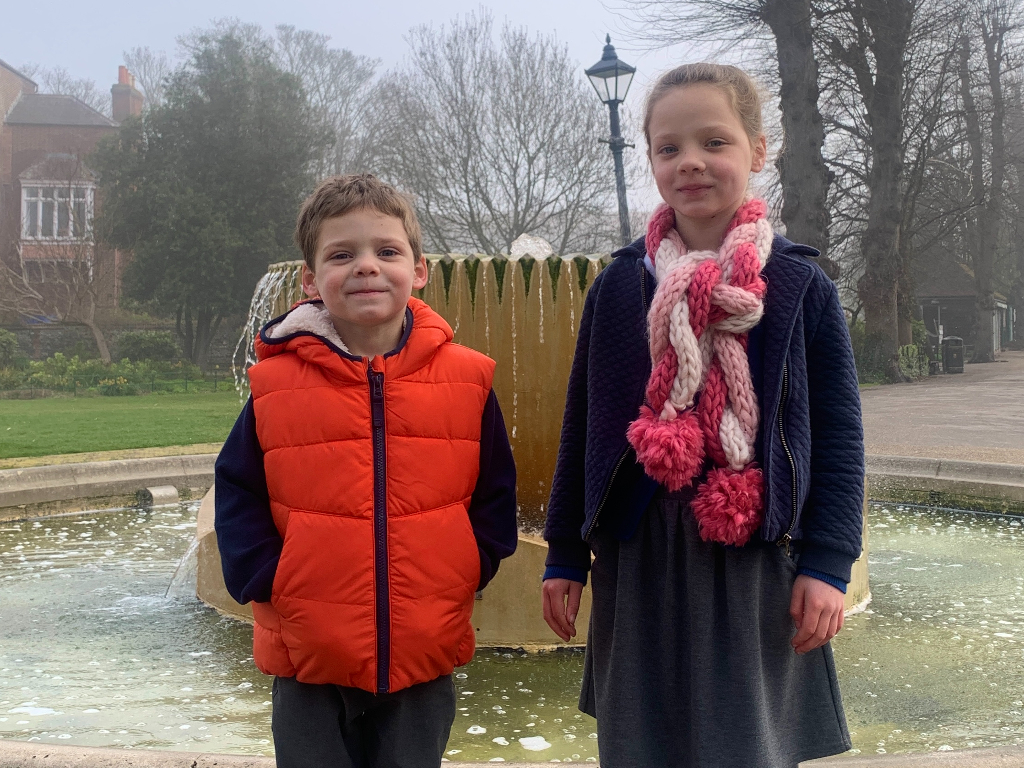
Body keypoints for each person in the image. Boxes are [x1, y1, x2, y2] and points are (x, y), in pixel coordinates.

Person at [541, 63, 864, 768]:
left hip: (751, 553)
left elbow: (839, 438)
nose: (690, 162)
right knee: (639, 745)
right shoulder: (620, 288)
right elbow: (584, 430)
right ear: (652, 159)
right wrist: (564, 552)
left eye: (713, 142)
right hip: (637, 552)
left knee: (747, 744)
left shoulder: (801, 287)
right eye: (668, 148)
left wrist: (829, 564)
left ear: (758, 148)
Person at [214, 173, 518, 768]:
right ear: (310, 278)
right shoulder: (274, 385)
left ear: (419, 269)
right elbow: (238, 490)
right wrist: (268, 579)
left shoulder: (468, 380)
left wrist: (468, 565)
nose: (366, 268)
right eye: (341, 255)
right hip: (310, 656)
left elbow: (495, 493)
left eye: (386, 251)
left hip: (421, 653)